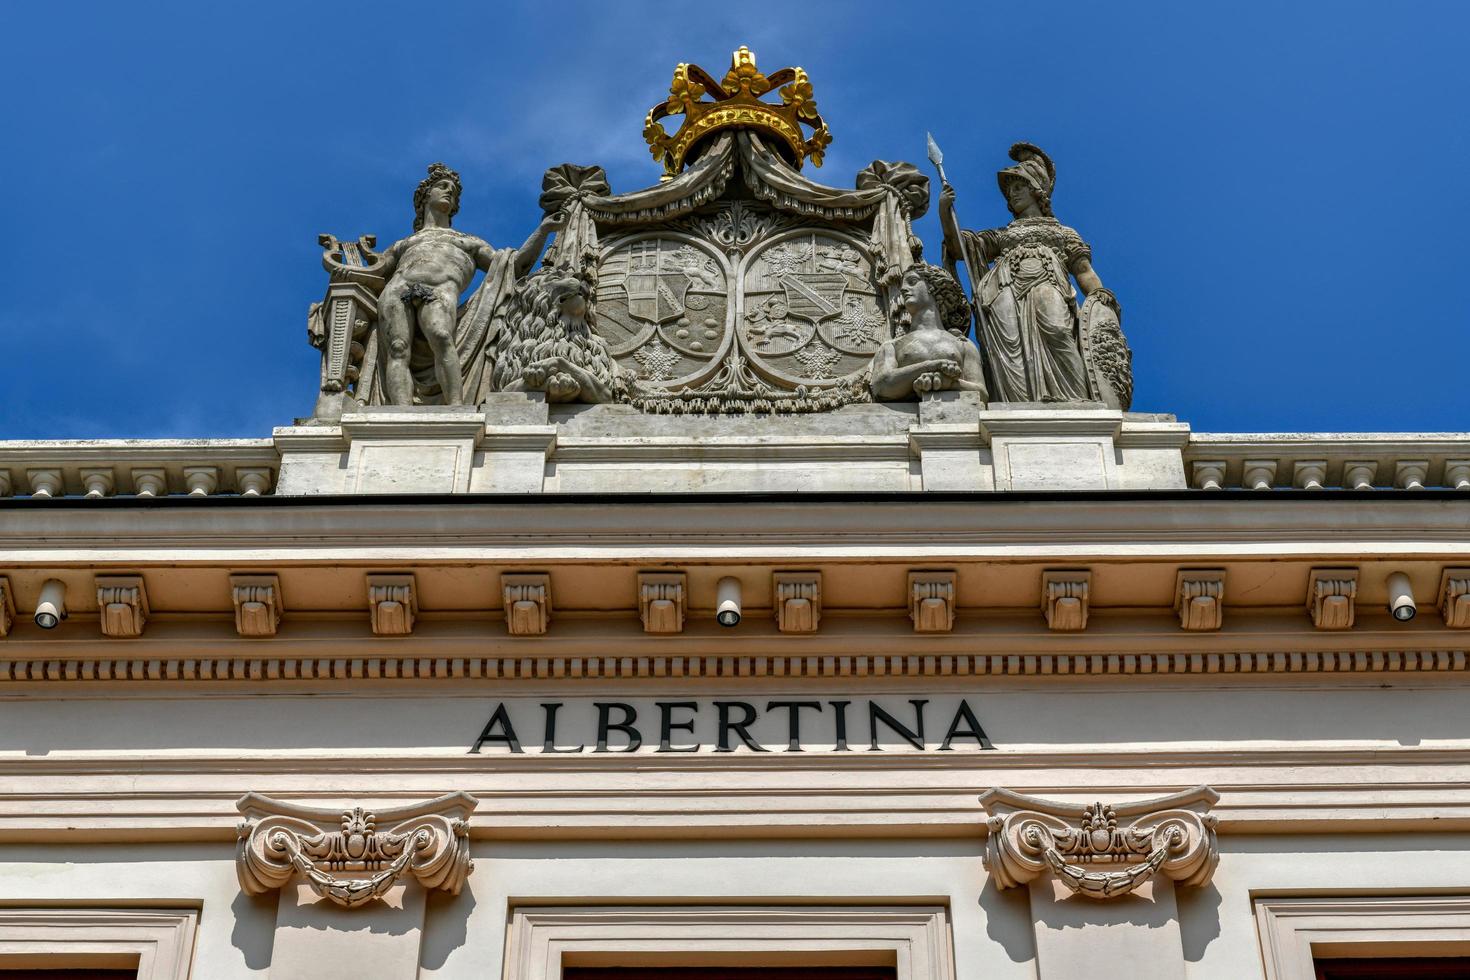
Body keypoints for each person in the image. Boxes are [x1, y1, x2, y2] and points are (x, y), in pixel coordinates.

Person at [375, 163, 565, 405]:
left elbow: (513, 266)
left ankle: (456, 407)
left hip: (439, 291)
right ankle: (401, 414)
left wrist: (543, 230)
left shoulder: (467, 242)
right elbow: (374, 272)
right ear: (425, 196)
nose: (449, 192)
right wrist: (339, 267)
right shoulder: (404, 243)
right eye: (442, 187)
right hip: (397, 290)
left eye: (453, 191)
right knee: (398, 347)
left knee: (441, 336)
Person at [939, 143, 1115, 403]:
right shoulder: (1002, 234)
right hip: (1003, 290)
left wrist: (1099, 297)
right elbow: (959, 248)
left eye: (1019, 187)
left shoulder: (1063, 232)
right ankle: (1018, 404)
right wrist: (945, 210)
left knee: (1057, 330)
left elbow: (1083, 270)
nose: (1012, 194)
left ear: (1036, 190)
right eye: (1009, 191)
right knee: (1011, 348)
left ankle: (1073, 399)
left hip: (1048, 283)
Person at [868, 264, 987, 401]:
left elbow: (981, 393)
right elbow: (881, 385)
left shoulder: (963, 345)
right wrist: (930, 366)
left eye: (912, 282)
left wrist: (949, 384)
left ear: (933, 287)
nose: (903, 289)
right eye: (903, 285)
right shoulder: (892, 346)